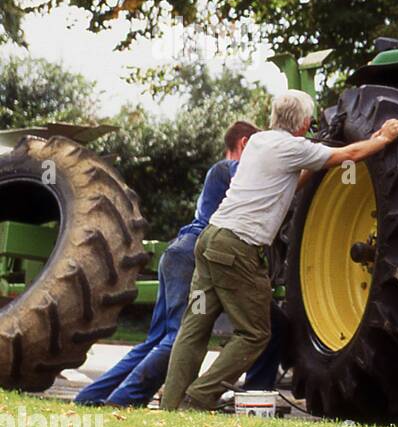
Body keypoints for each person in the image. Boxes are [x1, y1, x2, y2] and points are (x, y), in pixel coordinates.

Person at [161, 89, 398, 411]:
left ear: (274, 115)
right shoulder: (293, 147)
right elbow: (348, 156)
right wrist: (383, 138)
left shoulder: (259, 142)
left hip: (211, 240)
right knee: (255, 334)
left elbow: (289, 181)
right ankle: (198, 398)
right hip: (238, 248)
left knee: (195, 326)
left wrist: (361, 144)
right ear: (305, 122)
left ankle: (171, 404)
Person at [75, 121, 282, 406]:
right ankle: (120, 401)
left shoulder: (223, 173)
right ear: (245, 144)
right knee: (178, 336)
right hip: (192, 259)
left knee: (157, 339)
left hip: (179, 254)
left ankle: (91, 396)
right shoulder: (228, 169)